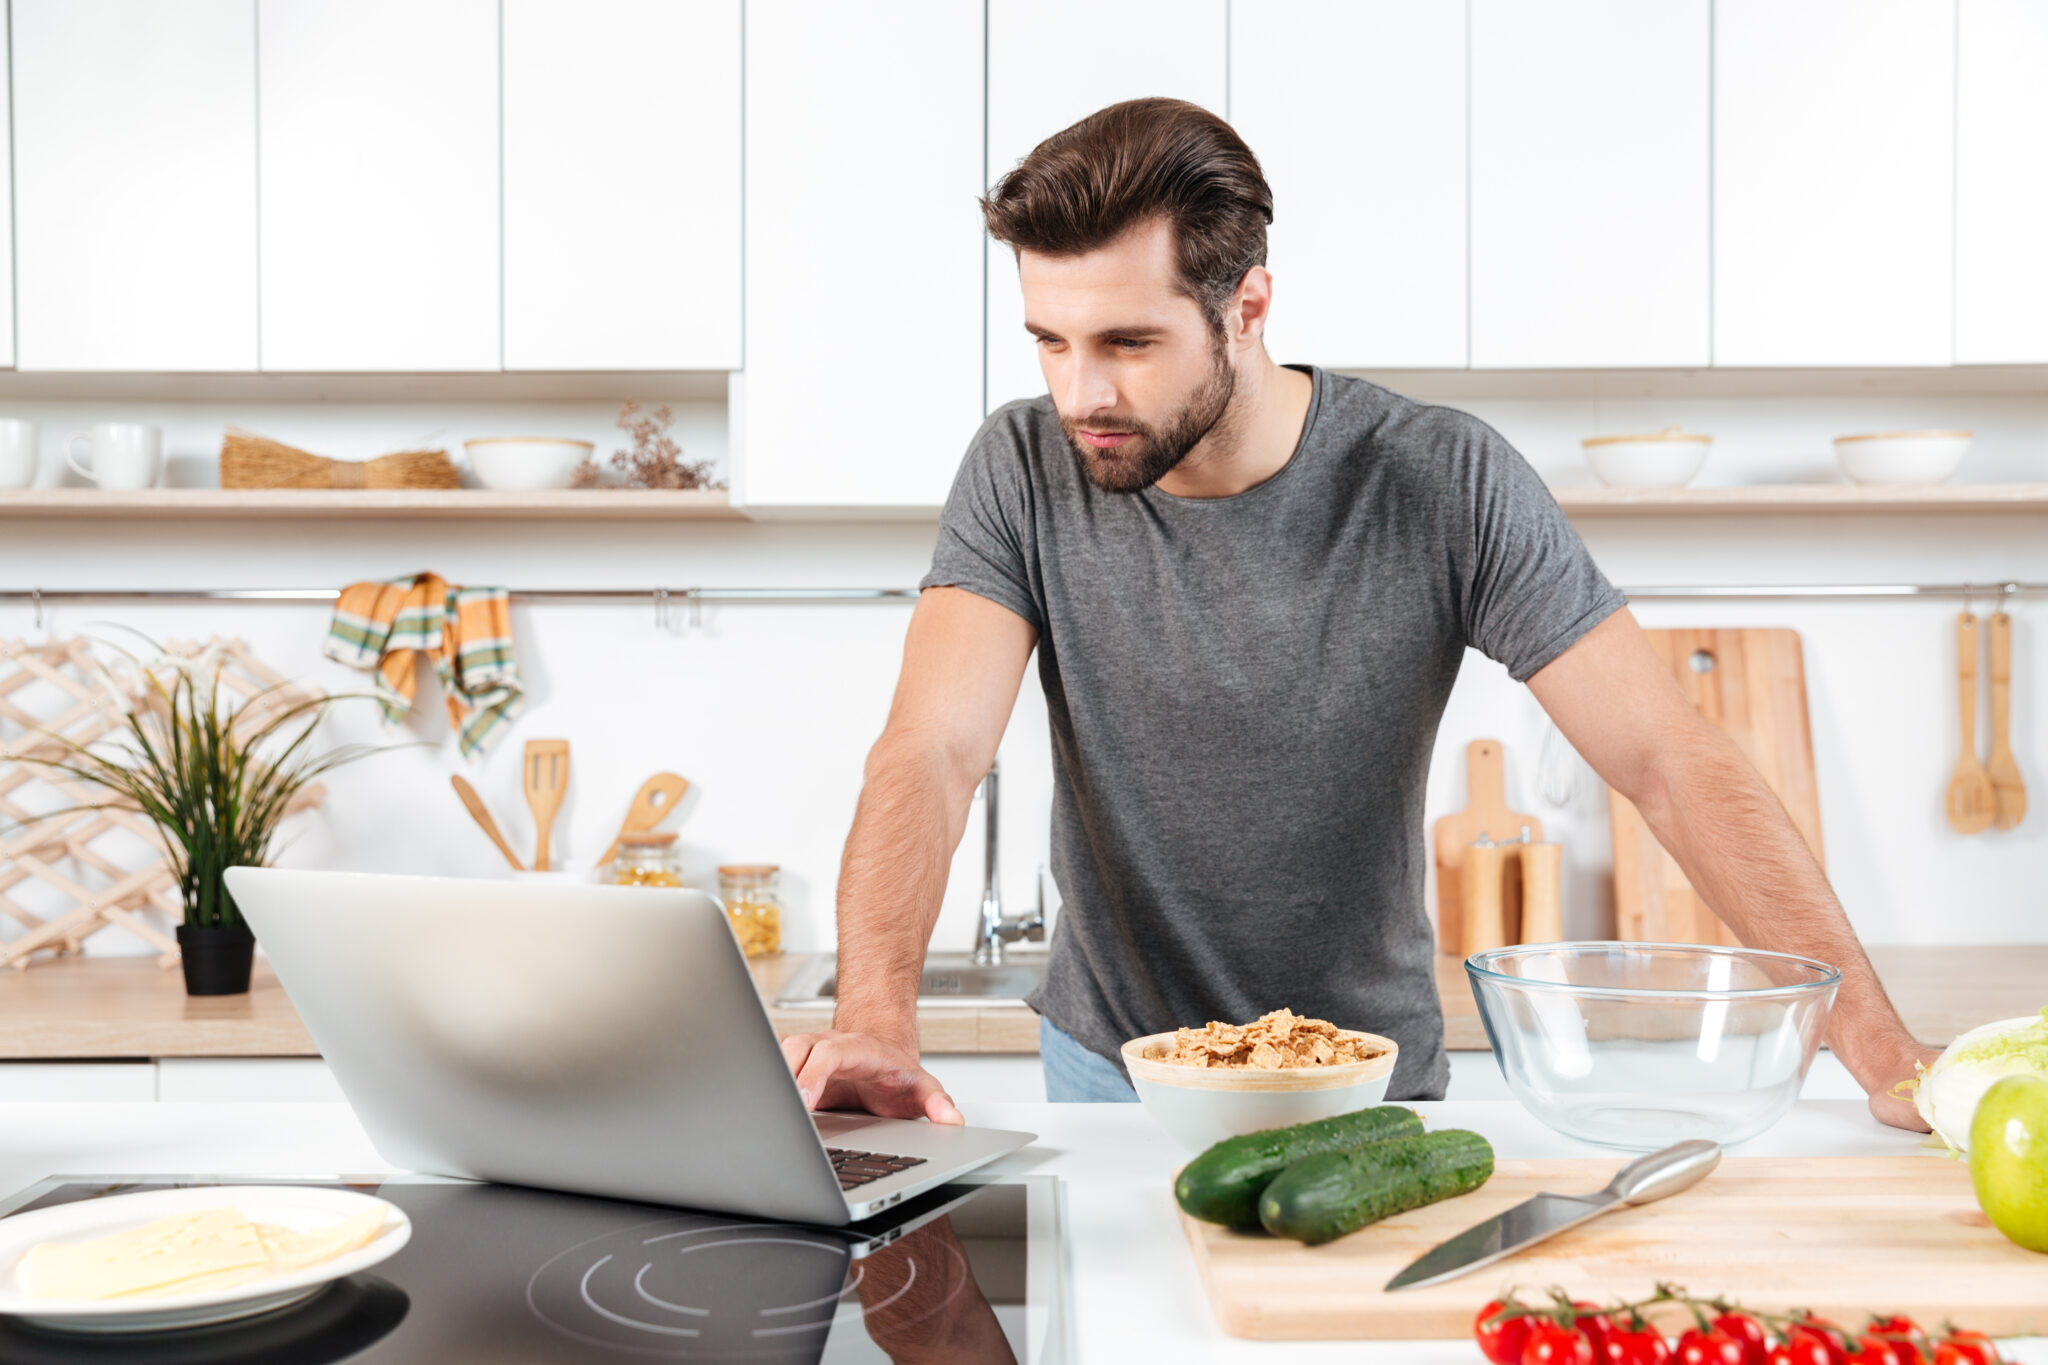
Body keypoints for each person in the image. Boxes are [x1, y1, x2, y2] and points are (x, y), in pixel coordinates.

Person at [778, 97, 1934, 1130]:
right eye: (1050, 340)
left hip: (1363, 1076)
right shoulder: (1021, 463)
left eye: (1129, 343)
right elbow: (932, 749)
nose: (1081, 393)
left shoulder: (1436, 476)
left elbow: (1664, 759)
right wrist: (872, 1014)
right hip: (1109, 1068)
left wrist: (1875, 1047)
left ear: (1246, 307)